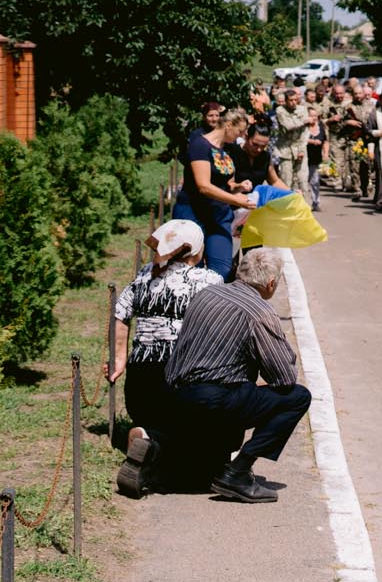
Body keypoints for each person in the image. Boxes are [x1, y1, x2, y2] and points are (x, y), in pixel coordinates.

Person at [164, 249, 312, 503]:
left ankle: (157, 448)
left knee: (236, 390)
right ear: (271, 283)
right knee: (297, 397)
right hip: (214, 400)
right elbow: (284, 377)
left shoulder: (206, 294)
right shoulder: (259, 311)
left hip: (173, 393)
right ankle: (239, 471)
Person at [107, 220, 225, 496]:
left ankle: (146, 435)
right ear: (196, 251)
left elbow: (120, 315)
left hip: (139, 383)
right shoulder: (209, 280)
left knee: (161, 421)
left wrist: (120, 359)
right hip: (178, 378)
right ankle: (155, 445)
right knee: (192, 429)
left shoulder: (144, 275)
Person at [174, 107, 253, 281]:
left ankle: (213, 297)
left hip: (219, 215)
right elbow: (204, 186)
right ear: (229, 125)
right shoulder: (200, 145)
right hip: (193, 214)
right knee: (191, 270)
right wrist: (236, 201)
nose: (242, 136)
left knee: (222, 270)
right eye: (240, 131)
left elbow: (225, 184)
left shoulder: (228, 149)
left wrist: (238, 187)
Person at [273, 88, 312, 205]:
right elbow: (288, 125)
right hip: (285, 148)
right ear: (286, 101)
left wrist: (302, 149)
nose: (294, 102)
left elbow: (305, 132)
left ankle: (304, 206)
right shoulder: (280, 110)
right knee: (286, 180)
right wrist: (304, 121)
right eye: (291, 100)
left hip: (300, 147)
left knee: (302, 179)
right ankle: (285, 206)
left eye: (296, 100)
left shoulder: (302, 109)